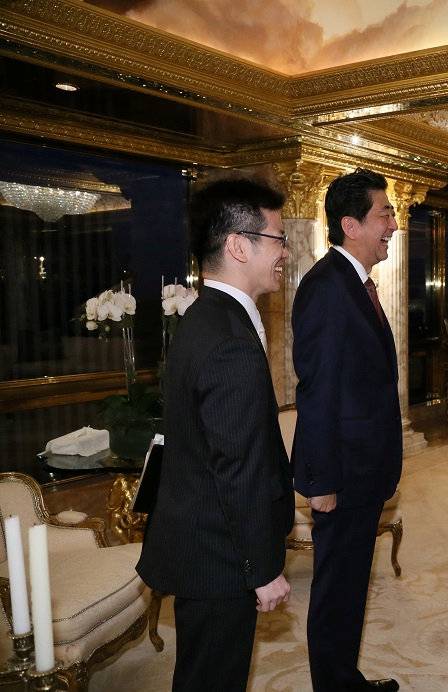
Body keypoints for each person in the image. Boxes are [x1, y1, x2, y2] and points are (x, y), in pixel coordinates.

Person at [137, 178, 294, 692]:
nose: (285, 252)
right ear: (238, 245)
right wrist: (263, 569)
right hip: (219, 558)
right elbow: (238, 467)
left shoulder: (207, 317)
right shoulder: (229, 340)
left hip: (203, 544)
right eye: (277, 237)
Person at [292, 169, 402, 692]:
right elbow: (317, 394)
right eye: (385, 214)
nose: (394, 225)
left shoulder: (353, 284)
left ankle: (344, 680)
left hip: (364, 469)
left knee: (352, 585)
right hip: (343, 474)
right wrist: (321, 483)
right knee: (336, 589)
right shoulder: (326, 288)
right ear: (350, 224)